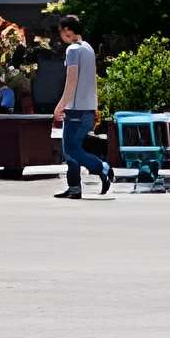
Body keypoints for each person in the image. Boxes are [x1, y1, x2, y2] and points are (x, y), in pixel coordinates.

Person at [49, 16, 109, 200]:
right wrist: (95, 105)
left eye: (61, 31)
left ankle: (103, 168)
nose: (61, 36)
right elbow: (93, 80)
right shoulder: (89, 48)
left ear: (67, 30)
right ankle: (74, 188)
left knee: (71, 150)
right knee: (72, 150)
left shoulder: (73, 50)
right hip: (87, 108)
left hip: (75, 108)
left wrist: (60, 106)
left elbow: (71, 80)